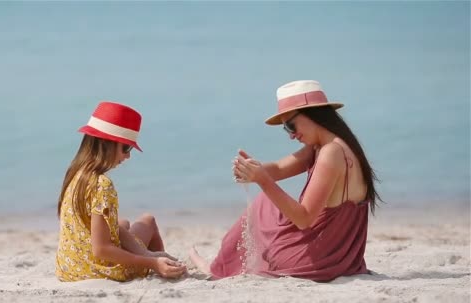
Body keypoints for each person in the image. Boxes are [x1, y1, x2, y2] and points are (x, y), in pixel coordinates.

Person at [189, 80, 381, 282]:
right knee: (267, 204)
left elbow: (304, 218)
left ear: (312, 114)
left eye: (291, 125)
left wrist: (262, 180)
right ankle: (221, 266)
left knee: (264, 202)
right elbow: (280, 168)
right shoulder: (329, 146)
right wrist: (253, 170)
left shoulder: (331, 153)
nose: (291, 135)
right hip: (342, 259)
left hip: (318, 262)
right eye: (285, 129)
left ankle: (218, 269)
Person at [56, 101, 186, 282]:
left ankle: (156, 258)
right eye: (126, 147)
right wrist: (151, 263)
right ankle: (165, 270)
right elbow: (101, 249)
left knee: (122, 223)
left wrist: (145, 253)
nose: (128, 155)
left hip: (71, 268)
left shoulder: (75, 174)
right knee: (148, 220)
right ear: (106, 144)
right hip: (100, 271)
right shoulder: (102, 185)